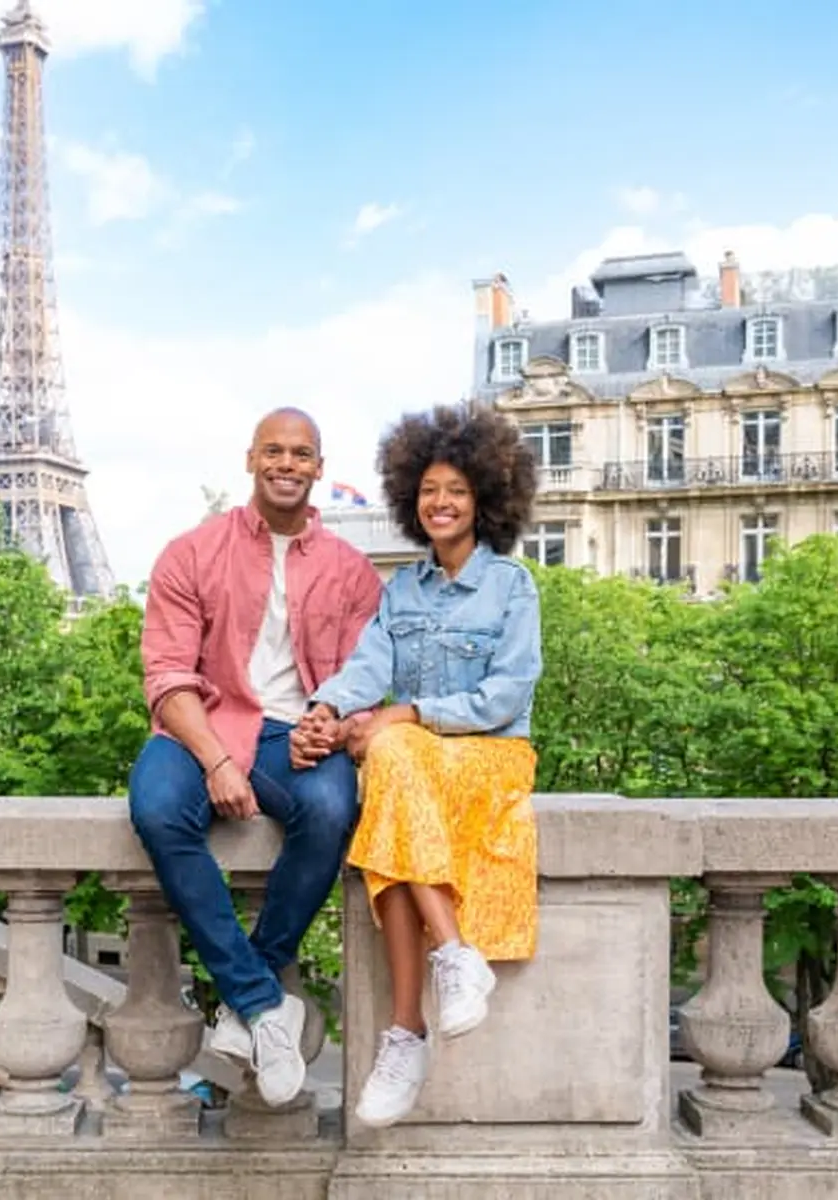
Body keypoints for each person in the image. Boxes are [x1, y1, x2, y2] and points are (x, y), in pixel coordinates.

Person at [293, 402, 542, 1128]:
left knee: (392, 756)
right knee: (394, 776)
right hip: (418, 764)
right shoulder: (401, 590)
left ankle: (407, 1032)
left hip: (491, 755)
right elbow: (368, 668)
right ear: (411, 498)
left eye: (456, 490)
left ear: (485, 499)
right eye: (429, 490)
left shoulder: (512, 586)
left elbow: (504, 697)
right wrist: (326, 709)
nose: (440, 502)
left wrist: (406, 714)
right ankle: (452, 961)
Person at [129, 407, 383, 1108]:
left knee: (330, 807)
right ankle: (266, 1004)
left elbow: (364, 679)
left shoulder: (353, 572)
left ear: (319, 468)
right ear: (250, 459)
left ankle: (249, 999)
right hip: (202, 723)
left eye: (301, 454)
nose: (286, 464)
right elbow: (167, 678)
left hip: (298, 733)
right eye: (274, 451)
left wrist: (330, 725)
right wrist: (215, 760)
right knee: (156, 808)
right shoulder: (191, 553)